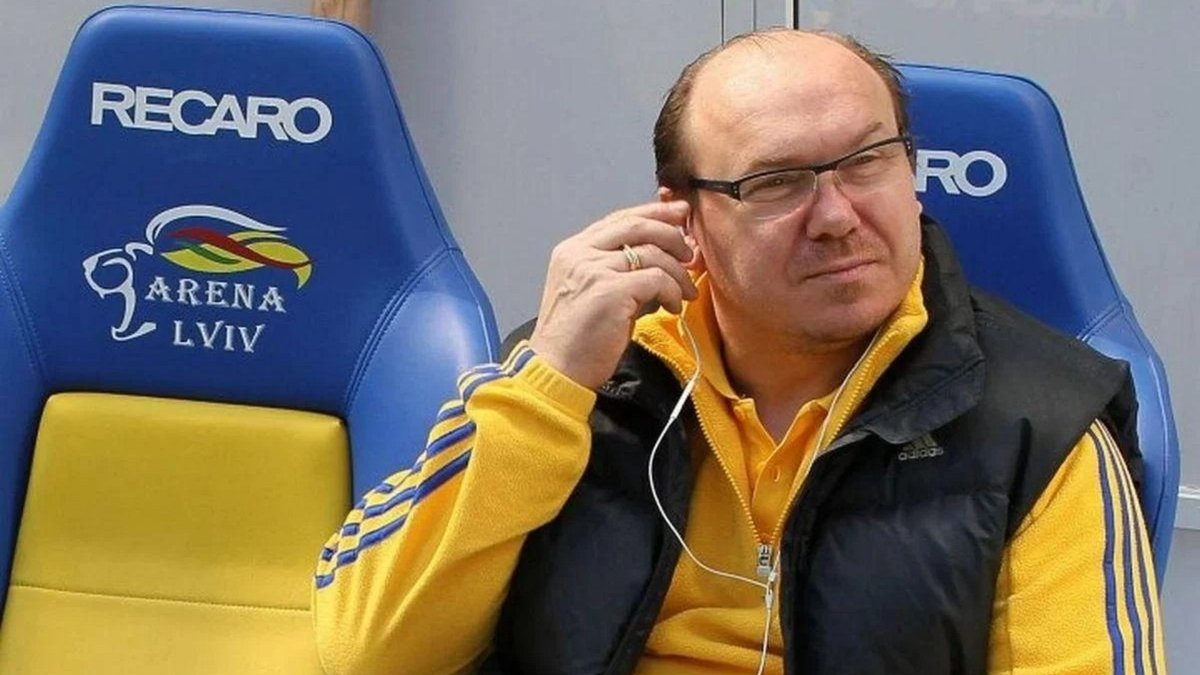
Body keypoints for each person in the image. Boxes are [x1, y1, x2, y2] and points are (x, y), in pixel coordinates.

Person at [313, 28, 1165, 675]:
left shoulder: (1042, 429)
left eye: (867, 161)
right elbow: (365, 651)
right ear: (684, 218)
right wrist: (550, 386)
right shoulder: (577, 372)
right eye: (777, 182)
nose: (836, 216)